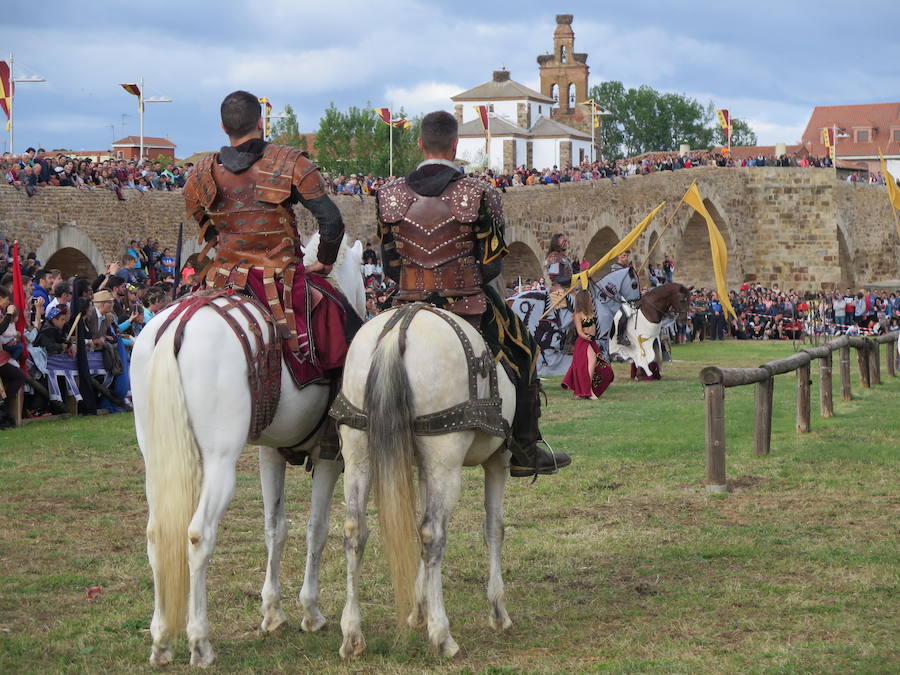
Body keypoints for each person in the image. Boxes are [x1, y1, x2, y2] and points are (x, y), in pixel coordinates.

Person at [375, 110, 571, 478]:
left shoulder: (388, 194)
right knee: (524, 349)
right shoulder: (479, 193)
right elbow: (493, 264)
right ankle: (526, 449)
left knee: (362, 347)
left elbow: (389, 263)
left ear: (420, 144)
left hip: (406, 298)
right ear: (455, 145)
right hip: (466, 300)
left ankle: (343, 435)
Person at [183, 89, 356, 461]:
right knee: (349, 326)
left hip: (222, 280)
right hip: (279, 277)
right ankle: (342, 422)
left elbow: (207, 228)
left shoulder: (200, 174)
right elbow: (331, 221)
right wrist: (324, 261)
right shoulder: (289, 162)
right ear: (259, 122)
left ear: (222, 126)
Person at [562, 290, 614, 399]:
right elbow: (579, 331)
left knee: (602, 365)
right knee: (592, 361)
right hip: (583, 342)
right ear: (585, 299)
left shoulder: (592, 313)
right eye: (589, 297)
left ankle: (586, 390)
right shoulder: (577, 315)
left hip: (592, 341)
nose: (591, 298)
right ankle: (588, 390)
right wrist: (585, 336)